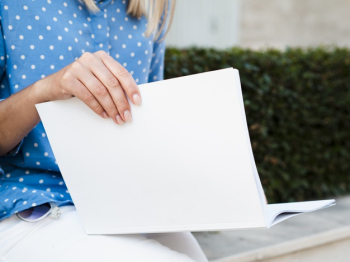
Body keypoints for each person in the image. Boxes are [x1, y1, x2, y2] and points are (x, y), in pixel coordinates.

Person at [0, 0, 208, 261]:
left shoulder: (152, 6)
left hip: (125, 204)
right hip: (29, 204)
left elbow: (146, 123)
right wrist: (45, 91)